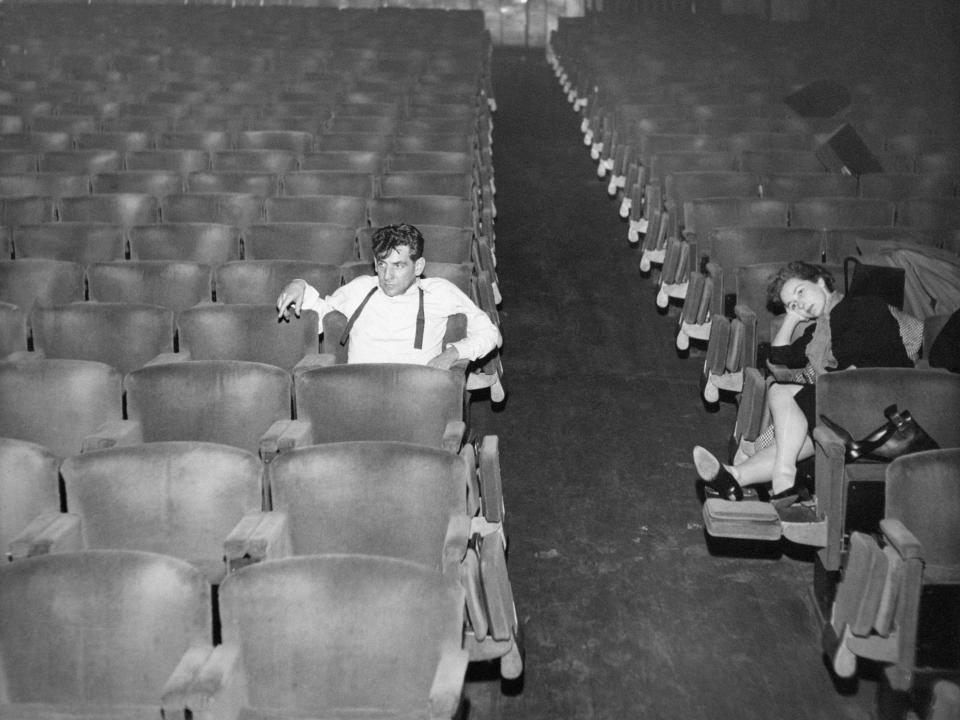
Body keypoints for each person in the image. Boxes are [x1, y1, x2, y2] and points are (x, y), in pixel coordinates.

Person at [692, 261, 914, 506]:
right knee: (794, 440)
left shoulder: (862, 306)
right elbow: (779, 355)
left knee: (781, 394)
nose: (800, 304)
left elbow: (859, 367)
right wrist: (793, 317)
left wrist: (830, 393)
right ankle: (734, 476)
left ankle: (784, 480)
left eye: (801, 292)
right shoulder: (819, 330)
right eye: (792, 304)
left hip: (882, 401)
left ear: (820, 281)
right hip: (852, 403)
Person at [275, 223, 501, 369]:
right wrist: (300, 284)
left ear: (419, 266)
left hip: (415, 395)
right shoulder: (360, 289)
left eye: (399, 266)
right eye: (382, 265)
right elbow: (322, 315)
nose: (387, 275)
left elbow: (491, 334)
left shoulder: (440, 292)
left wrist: (453, 353)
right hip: (360, 392)